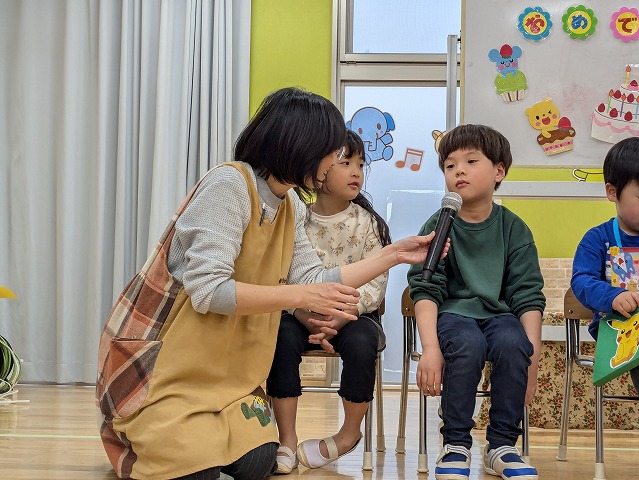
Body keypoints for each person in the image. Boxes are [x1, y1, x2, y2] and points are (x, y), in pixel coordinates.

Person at [96, 87, 444, 480]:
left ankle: (207, 435)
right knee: (194, 472)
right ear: (301, 144)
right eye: (331, 151)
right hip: (172, 369)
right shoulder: (228, 185)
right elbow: (210, 290)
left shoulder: (290, 204)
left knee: (259, 462)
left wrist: (394, 254)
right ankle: (155, 435)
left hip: (229, 377)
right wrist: (303, 295)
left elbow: (313, 279)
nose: (334, 161)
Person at [406, 124, 545, 480]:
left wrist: (533, 355)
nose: (459, 171)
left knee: (514, 342)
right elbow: (425, 288)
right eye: (450, 165)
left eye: (470, 161)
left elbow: (527, 293)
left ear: (499, 171)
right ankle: (455, 443)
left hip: (499, 315)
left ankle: (502, 445)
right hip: (453, 315)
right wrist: (430, 348)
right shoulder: (439, 224)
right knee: (467, 343)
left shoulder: (514, 228)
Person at [266, 130, 391, 473]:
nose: (356, 172)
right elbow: (280, 274)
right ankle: (286, 439)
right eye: (345, 163)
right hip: (300, 313)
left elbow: (376, 283)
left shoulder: (368, 223)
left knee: (363, 342)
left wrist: (342, 314)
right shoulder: (295, 218)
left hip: (353, 315)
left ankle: (349, 435)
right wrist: (302, 314)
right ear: (318, 171)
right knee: (279, 336)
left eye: (361, 164)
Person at [571, 136, 639, 396]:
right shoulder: (598, 239)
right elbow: (582, 281)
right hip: (620, 328)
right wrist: (613, 296)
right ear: (612, 192)